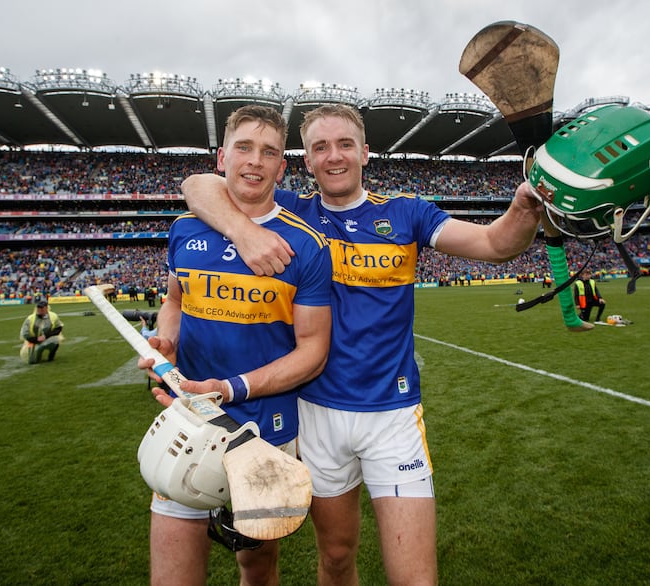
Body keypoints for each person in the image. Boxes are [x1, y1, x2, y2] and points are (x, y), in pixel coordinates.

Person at [180, 104, 542, 585]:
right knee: (335, 557)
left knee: (415, 577)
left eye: (345, 144)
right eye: (320, 148)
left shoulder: (405, 213)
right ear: (305, 162)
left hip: (392, 416)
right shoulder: (291, 211)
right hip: (316, 415)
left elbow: (496, 244)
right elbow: (197, 186)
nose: (334, 156)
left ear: (365, 152)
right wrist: (244, 230)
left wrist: (524, 205)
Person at [140, 104, 332, 586]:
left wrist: (230, 387)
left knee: (258, 567)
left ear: (282, 167)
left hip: (267, 429)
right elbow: (175, 301)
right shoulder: (185, 229)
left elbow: (312, 352)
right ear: (221, 156)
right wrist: (166, 340)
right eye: (244, 147)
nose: (255, 161)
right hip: (189, 423)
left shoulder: (306, 246)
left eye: (269, 152)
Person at [19, 300, 63, 364]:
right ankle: (35, 353)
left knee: (55, 340)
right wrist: (36, 339)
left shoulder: (53, 316)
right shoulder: (30, 318)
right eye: (39, 308)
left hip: (46, 338)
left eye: (42, 308)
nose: (40, 310)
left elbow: (59, 328)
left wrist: (45, 336)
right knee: (32, 361)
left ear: (46, 308)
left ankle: (51, 356)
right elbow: (25, 333)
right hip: (33, 340)